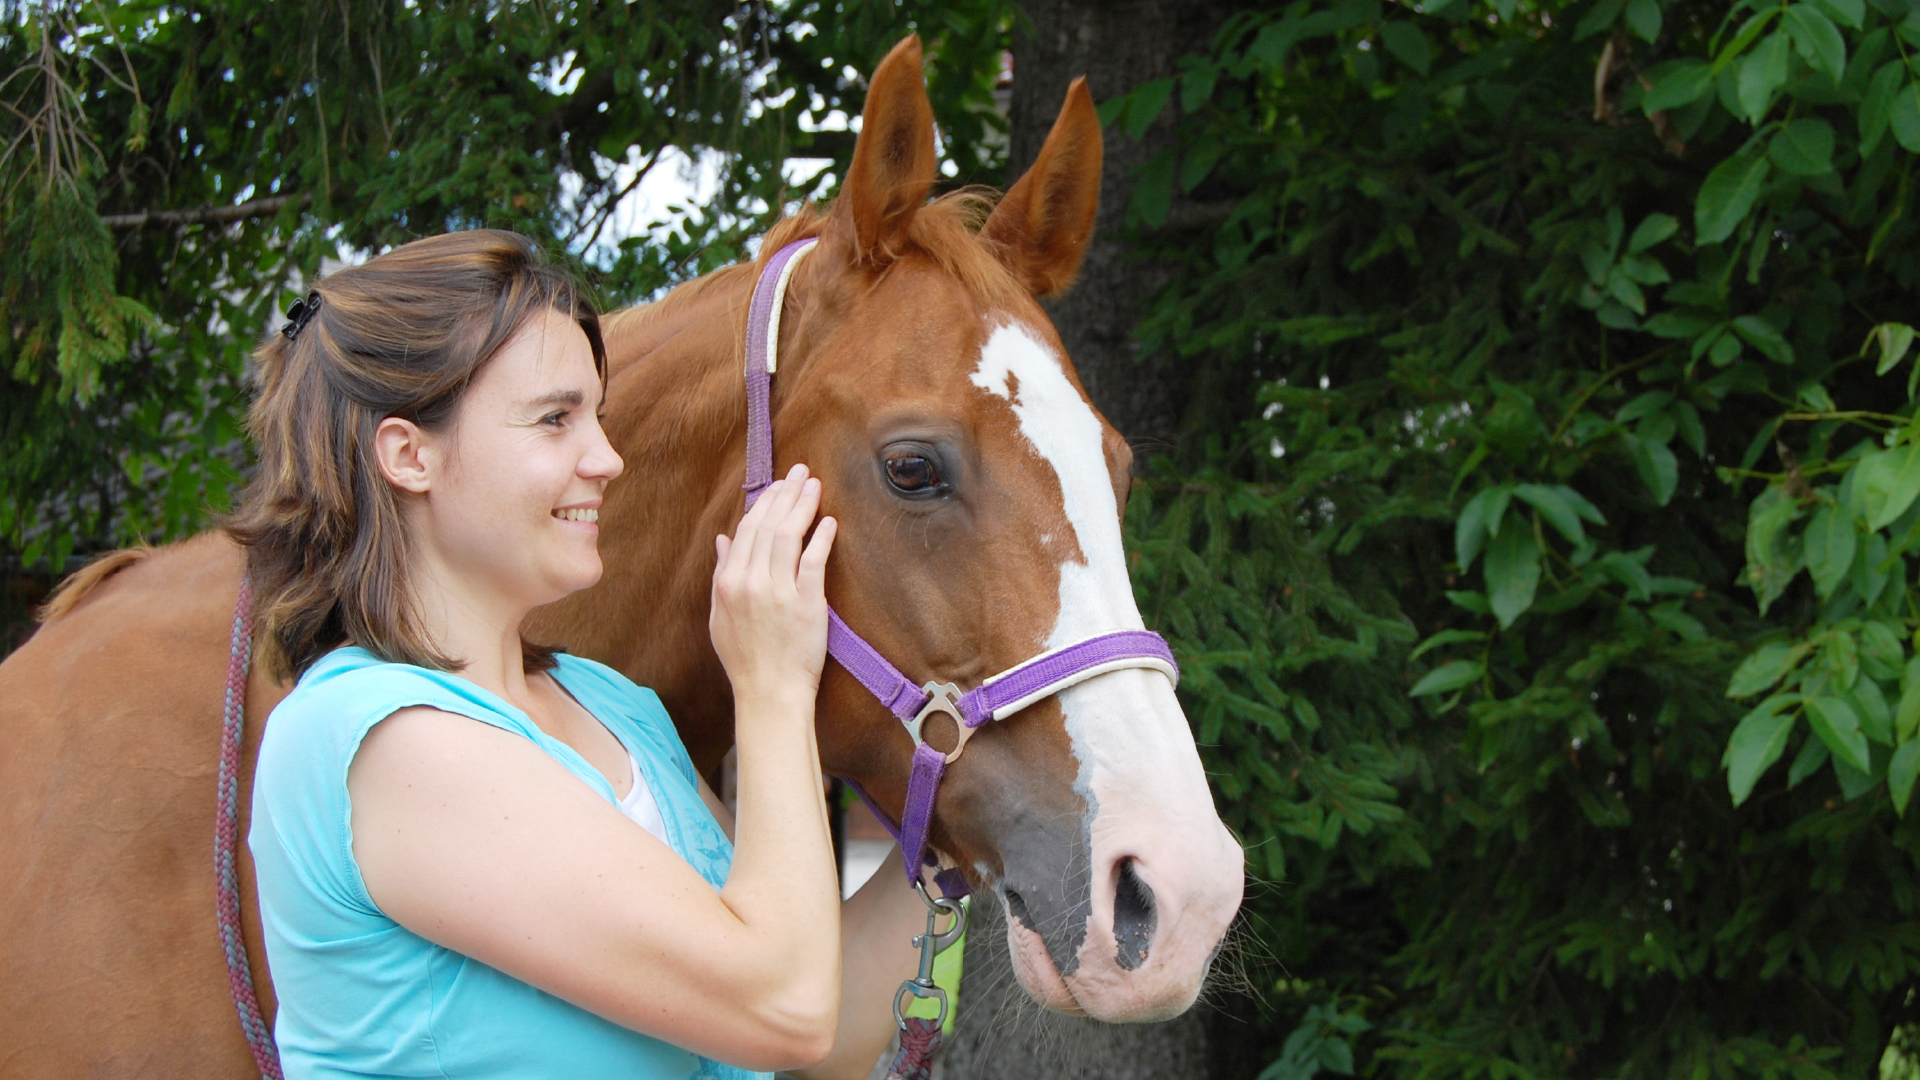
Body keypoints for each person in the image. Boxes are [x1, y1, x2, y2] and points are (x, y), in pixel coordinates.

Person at [232, 230, 932, 1079]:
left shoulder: (610, 705)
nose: (606, 458)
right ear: (409, 455)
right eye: (556, 418)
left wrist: (949, 825)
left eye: (595, 416)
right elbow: (782, 1008)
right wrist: (773, 686)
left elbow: (831, 1028)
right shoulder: (376, 738)